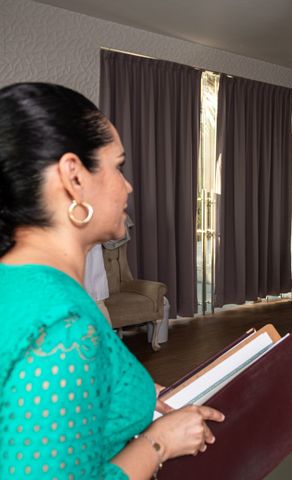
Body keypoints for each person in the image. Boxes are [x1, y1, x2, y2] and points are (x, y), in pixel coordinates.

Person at [0, 82, 224, 479]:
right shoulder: (63, 327)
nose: (128, 186)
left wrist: (140, 392)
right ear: (74, 176)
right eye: (117, 166)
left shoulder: (21, 284)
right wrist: (160, 443)